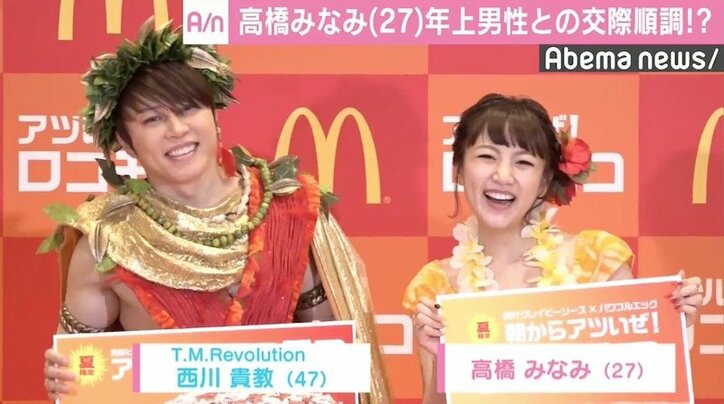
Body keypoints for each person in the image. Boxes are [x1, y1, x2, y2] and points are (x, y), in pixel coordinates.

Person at [40, 18, 391, 403]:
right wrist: (64, 378)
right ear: (125, 140)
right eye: (153, 119)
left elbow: (334, 359)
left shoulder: (289, 213)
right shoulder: (109, 239)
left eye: (189, 109)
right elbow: (83, 377)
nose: (177, 129)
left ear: (214, 114)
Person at [402, 93, 704, 404]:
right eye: (487, 156)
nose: (502, 175)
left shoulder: (595, 260)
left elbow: (645, 386)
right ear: (459, 169)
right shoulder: (436, 287)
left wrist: (673, 327)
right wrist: (442, 360)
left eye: (523, 162)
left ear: (545, 180)